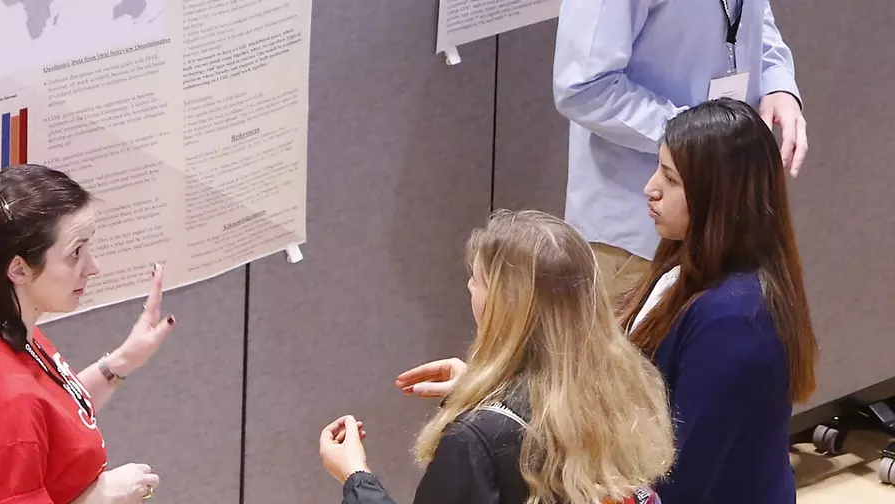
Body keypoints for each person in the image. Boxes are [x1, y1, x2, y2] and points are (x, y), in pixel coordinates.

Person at [317, 210, 674, 504]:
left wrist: (354, 476)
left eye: (477, 279)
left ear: (504, 307)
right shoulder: (624, 389)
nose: (469, 287)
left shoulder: (475, 440)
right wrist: (484, 390)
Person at [0, 164, 176, 504]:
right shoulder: (2, 404)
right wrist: (103, 498)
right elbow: (14, 423)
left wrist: (121, 362)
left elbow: (45, 422)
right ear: (18, 268)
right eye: (75, 252)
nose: (93, 267)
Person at [619, 98, 818, 503]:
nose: (650, 188)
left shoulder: (736, 319)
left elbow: (683, 478)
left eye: (671, 179)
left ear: (719, 197)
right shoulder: (684, 261)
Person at [552, 0, 809, 301]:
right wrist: (697, 139)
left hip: (727, 217)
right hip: (637, 237)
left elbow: (751, 16)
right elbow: (583, 89)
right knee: (636, 348)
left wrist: (777, 82)